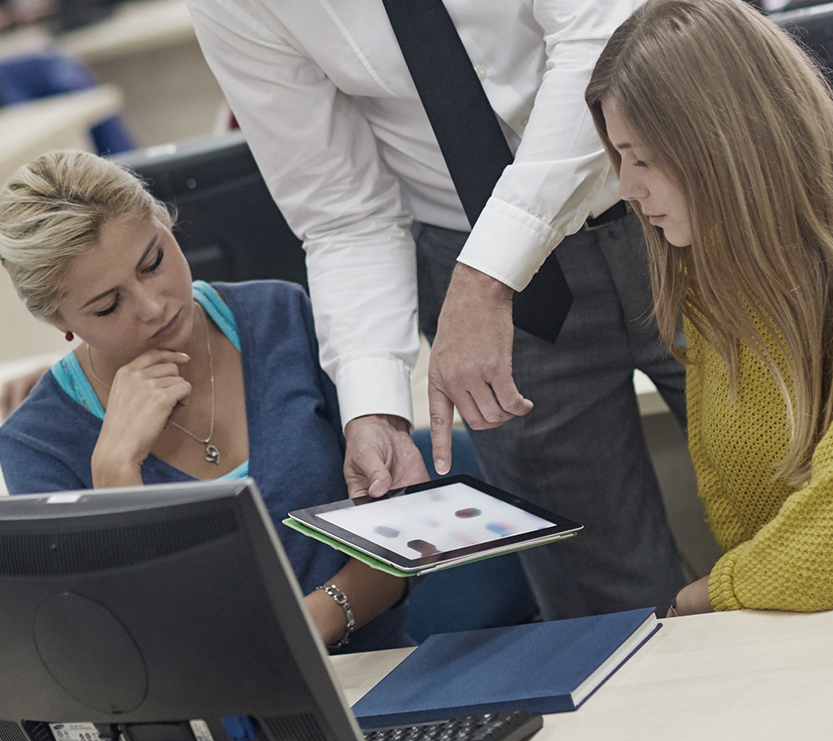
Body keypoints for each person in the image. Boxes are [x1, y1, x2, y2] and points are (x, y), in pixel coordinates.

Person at [183, 0, 688, 620]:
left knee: (784, 506)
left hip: (673, 198)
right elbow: (343, 214)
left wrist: (488, 274)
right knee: (605, 600)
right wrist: (374, 407)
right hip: (468, 255)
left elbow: (603, 44)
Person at [0, 149, 409, 650]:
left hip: (383, 668)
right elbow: (115, 648)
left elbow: (402, 526)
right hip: (203, 700)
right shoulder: (37, 444)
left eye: (153, 263)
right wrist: (115, 473)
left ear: (164, 221)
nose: (154, 306)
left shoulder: (281, 314)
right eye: (108, 306)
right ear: (59, 320)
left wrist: (305, 627)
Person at [585, 0, 833, 614]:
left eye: (643, 157)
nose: (626, 188)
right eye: (620, 156)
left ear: (727, 144)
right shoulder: (717, 278)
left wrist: (711, 594)